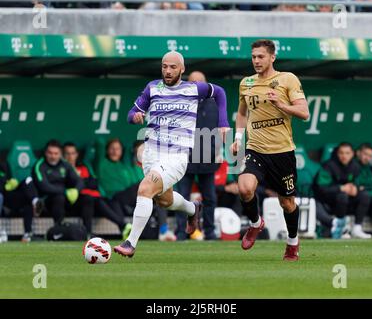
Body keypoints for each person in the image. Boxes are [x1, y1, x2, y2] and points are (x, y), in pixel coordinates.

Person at [114, 51, 229, 257]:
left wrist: (223, 122)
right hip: (152, 154)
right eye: (164, 66)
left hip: (176, 156)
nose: (168, 71)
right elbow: (131, 114)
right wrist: (136, 116)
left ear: (182, 69)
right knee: (163, 200)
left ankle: (130, 243)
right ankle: (193, 209)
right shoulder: (153, 87)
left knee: (145, 189)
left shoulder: (193, 88)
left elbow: (220, 92)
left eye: (173, 67)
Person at [230, 39, 309, 261]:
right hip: (255, 149)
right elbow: (242, 114)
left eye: (261, 56)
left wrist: (282, 105)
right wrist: (238, 138)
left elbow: (304, 113)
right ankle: (256, 223)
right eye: (253, 56)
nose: (256, 60)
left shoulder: (287, 79)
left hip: (282, 152)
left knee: (287, 203)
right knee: (244, 188)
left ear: (272, 57)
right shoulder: (246, 83)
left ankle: (292, 242)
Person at [175, 71, 221, 241]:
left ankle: (210, 232)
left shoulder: (215, 103)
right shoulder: (180, 103)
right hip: (185, 159)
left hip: (208, 159)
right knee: (181, 199)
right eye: (193, 82)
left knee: (210, 199)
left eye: (200, 82)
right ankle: (181, 233)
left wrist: (218, 150)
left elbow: (220, 129)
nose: (197, 85)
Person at [63, 142, 132, 239]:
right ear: (63, 155)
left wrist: (82, 183)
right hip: (74, 204)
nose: (70, 156)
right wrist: (83, 183)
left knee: (108, 201)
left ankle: (124, 230)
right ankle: (88, 233)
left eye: (73, 153)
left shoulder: (83, 167)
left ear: (77, 154)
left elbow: (93, 183)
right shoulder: (61, 169)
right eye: (67, 153)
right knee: (89, 199)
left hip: (93, 203)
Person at [313, 142, 372, 239]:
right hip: (328, 202)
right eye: (341, 153)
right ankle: (339, 228)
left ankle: (357, 228)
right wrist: (341, 188)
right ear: (337, 153)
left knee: (364, 195)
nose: (344, 156)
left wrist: (355, 189)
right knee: (342, 196)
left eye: (347, 153)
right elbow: (321, 188)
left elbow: (360, 184)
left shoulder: (355, 166)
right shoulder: (329, 166)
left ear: (352, 154)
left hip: (348, 202)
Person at [32, 139, 84, 228]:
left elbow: (79, 181)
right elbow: (43, 186)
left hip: (66, 198)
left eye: (56, 153)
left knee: (87, 199)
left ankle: (87, 232)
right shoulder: (39, 165)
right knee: (58, 197)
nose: (53, 156)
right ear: (45, 153)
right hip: (46, 199)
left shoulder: (65, 164)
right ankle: (59, 229)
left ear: (60, 154)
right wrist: (64, 191)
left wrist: (76, 190)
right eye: (50, 153)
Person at [0, 161, 43, 242]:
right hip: (2, 198)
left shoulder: (3, 164)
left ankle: (27, 234)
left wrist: (9, 183)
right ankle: (35, 201)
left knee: (28, 180)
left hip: (9, 197)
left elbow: (7, 179)